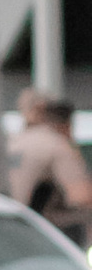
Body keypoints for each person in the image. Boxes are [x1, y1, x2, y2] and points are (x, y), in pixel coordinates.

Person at [9, 87, 92, 244]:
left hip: (2, 229)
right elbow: (81, 197)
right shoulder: (55, 144)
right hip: (37, 235)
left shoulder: (11, 142)